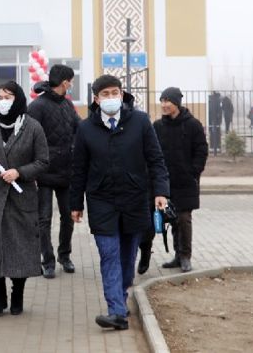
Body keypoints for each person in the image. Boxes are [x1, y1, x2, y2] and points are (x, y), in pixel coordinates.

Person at [70, 75, 169, 331]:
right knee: (109, 254)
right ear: (96, 99)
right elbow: (78, 169)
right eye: (105, 94)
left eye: (115, 92)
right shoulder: (86, 128)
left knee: (127, 256)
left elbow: (155, 159)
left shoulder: (140, 122)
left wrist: (161, 191)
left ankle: (122, 296)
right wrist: (75, 203)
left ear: (122, 94)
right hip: (101, 200)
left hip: (134, 198)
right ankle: (116, 310)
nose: (111, 97)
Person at [0, 81, 49, 317]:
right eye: (0, 97)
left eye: (8, 97)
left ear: (19, 99)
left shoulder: (32, 127)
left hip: (20, 199)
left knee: (20, 250)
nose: (3, 101)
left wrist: (19, 172)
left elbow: (43, 161)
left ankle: (17, 295)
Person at [143, 88, 208, 274]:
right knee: (167, 219)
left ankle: (185, 256)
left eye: (167, 101)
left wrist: (193, 172)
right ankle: (170, 255)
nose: (163, 105)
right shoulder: (157, 126)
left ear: (177, 103)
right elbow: (150, 152)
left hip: (185, 182)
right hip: (163, 183)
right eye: (162, 101)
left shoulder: (193, 125)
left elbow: (201, 150)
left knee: (183, 219)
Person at [27, 64, 81, 279]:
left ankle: (64, 255)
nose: (71, 84)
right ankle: (47, 260)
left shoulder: (67, 105)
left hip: (67, 171)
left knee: (69, 216)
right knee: (44, 218)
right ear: (65, 82)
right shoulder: (37, 106)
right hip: (44, 172)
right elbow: (29, 138)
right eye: (71, 81)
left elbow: (79, 129)